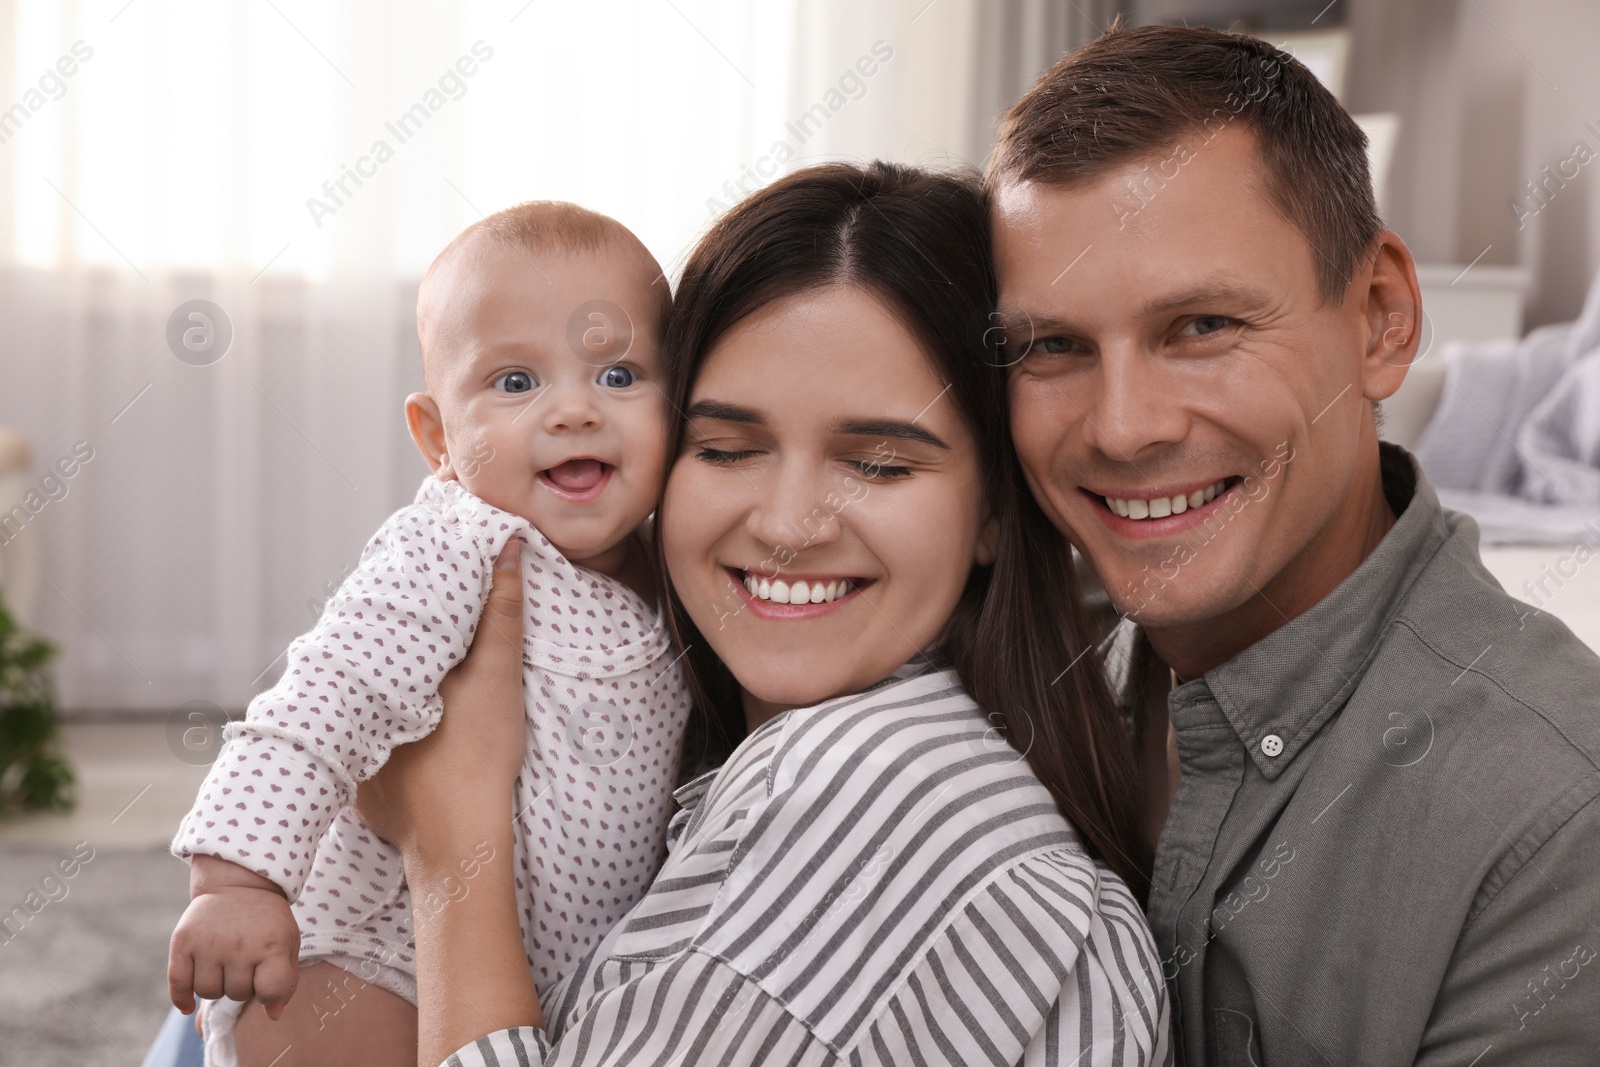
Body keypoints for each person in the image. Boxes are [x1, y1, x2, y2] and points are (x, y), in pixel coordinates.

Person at [357, 161, 1171, 1066]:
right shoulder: (797, 747)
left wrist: (450, 847)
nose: (787, 525)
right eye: (727, 447)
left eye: (880, 464)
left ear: (991, 508)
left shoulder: (868, 790)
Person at [988, 23, 1600, 1065]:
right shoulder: (1002, 665)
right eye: (1053, 345)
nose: (1123, 425)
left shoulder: (1553, 819)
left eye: (1202, 326)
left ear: (1379, 318)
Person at [165, 201, 691, 1067]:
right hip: (379, 948)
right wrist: (238, 878)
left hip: (543, 976)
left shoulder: (672, 563)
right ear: (438, 438)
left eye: (620, 375)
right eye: (516, 383)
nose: (574, 411)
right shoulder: (459, 547)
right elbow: (328, 693)